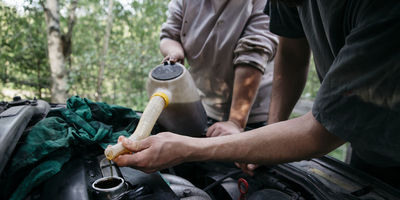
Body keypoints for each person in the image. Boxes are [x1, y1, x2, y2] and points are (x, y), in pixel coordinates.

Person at [113, 0, 400, 187]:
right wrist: (274, 133)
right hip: (368, 140)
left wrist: (189, 148)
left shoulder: (386, 11)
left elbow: (321, 132)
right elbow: (291, 53)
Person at [160, 0, 278, 136]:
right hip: (207, 107)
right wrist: (174, 52)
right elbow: (169, 35)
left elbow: (253, 53)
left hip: (255, 114)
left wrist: (236, 122)